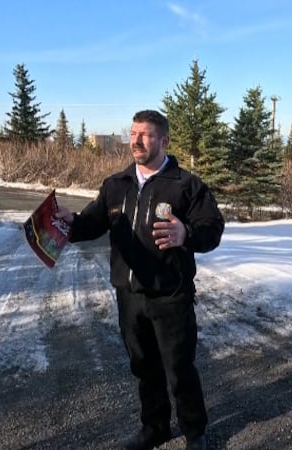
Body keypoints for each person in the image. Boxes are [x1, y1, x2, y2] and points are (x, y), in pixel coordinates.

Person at [55, 110, 224, 450]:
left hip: (171, 296)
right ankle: (155, 427)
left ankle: (195, 433)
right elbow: (92, 223)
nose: (136, 141)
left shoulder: (186, 185)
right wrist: (69, 223)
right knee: (144, 367)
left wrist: (186, 233)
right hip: (129, 296)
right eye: (133, 134)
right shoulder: (116, 186)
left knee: (179, 369)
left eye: (145, 135)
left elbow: (213, 228)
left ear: (164, 141)